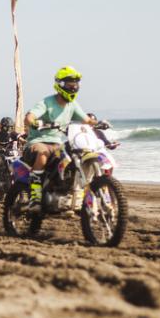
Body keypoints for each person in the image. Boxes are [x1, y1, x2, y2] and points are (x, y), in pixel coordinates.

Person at [23, 66, 98, 211]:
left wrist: (99, 123)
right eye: (70, 84)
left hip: (57, 143)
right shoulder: (47, 102)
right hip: (38, 142)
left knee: (74, 157)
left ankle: (70, 194)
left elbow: (86, 120)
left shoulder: (72, 105)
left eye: (75, 84)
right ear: (60, 85)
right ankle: (35, 196)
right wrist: (34, 122)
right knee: (43, 154)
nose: (73, 87)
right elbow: (29, 117)